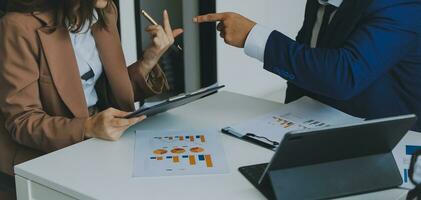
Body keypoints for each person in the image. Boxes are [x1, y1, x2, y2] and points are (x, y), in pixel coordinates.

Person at [0, 0, 182, 198]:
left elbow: (104, 92)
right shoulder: (18, 26)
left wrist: (149, 60)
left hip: (96, 147)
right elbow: (22, 121)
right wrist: (86, 127)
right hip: (41, 161)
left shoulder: (104, 12)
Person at [194, 0, 421, 131]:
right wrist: (285, 126)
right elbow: (308, 64)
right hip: (322, 130)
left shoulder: (401, 4)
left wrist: (255, 37)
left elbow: (344, 76)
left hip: (388, 142)